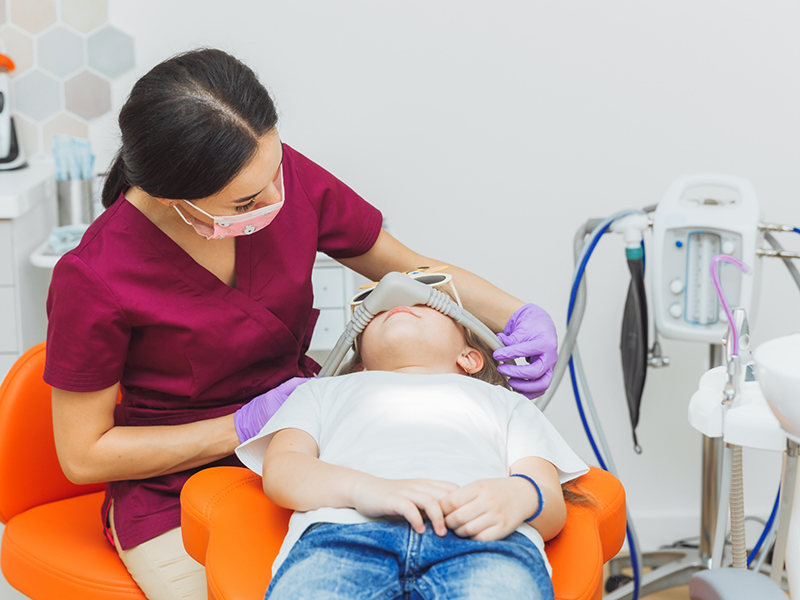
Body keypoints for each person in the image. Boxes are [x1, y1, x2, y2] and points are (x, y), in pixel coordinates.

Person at [44, 48, 558, 600]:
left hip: (318, 448)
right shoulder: (94, 276)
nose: (276, 198)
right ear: (175, 199)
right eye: (247, 201)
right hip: (175, 490)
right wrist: (240, 426)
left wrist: (516, 314)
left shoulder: (270, 172)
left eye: (276, 171)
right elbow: (83, 455)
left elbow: (405, 266)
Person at [236, 300, 588, 600]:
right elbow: (283, 470)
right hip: (344, 533)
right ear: (360, 366)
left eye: (426, 300)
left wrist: (521, 496)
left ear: (469, 358)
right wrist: (366, 489)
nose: (399, 302)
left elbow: (549, 501)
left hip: (484, 540)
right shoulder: (322, 392)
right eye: (378, 306)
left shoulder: (506, 402)